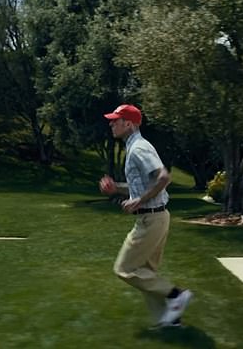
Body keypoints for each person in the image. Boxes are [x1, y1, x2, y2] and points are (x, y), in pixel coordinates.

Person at [99, 104, 192, 329]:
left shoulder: (139, 148)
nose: (111, 124)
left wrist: (138, 201)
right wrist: (117, 189)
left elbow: (163, 178)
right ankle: (170, 320)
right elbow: (141, 186)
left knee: (125, 269)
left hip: (151, 219)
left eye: (115, 120)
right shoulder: (135, 147)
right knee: (147, 273)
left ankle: (176, 295)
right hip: (156, 218)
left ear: (128, 123)